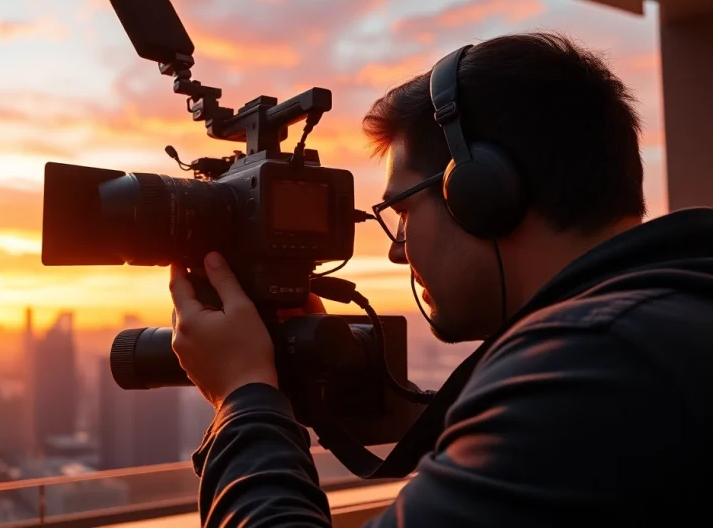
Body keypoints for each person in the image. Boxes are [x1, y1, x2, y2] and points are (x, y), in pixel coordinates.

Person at [168, 32, 713, 527]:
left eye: (402, 211)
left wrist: (243, 396)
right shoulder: (670, 316)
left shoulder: (594, 366)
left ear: (479, 191)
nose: (397, 252)